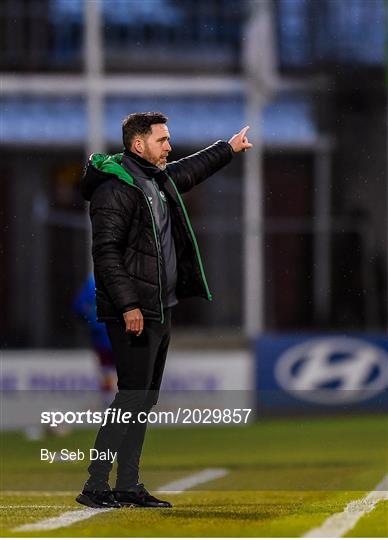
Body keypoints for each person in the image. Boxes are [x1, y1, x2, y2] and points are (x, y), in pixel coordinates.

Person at [76, 112, 252, 509]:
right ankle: (95, 484)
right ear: (139, 145)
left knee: (142, 400)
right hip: (135, 312)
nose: (169, 147)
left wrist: (228, 148)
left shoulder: (156, 180)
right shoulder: (114, 190)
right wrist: (129, 306)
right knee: (131, 398)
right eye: (163, 140)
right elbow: (105, 255)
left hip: (159, 308)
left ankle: (127, 484)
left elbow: (189, 170)